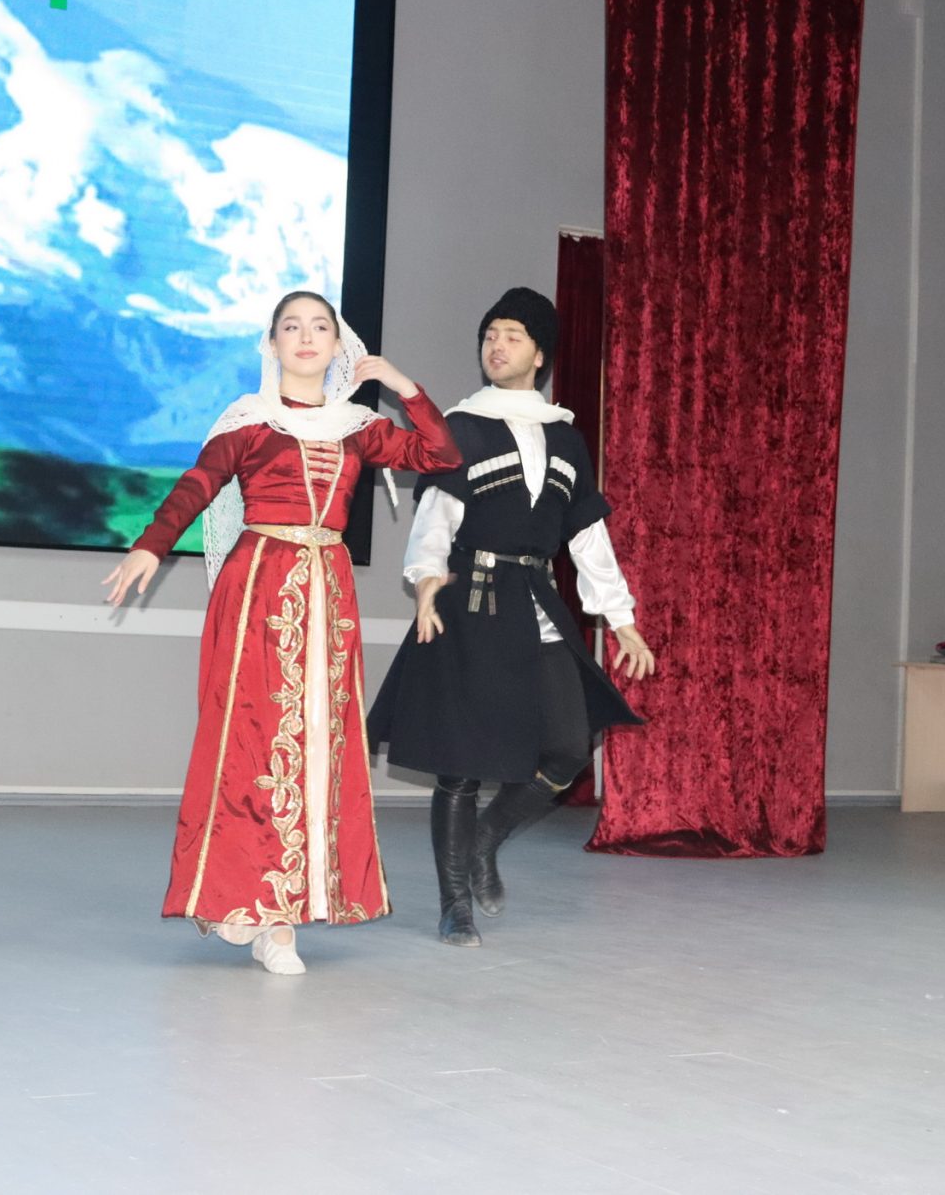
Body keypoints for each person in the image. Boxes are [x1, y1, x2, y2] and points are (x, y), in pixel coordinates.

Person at [103, 291, 461, 974]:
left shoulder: (356, 426)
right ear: (271, 344)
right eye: (291, 327)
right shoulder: (250, 421)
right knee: (252, 744)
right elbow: (198, 484)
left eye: (320, 326)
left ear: (337, 344)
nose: (306, 337)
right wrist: (151, 544)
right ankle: (259, 907)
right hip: (259, 589)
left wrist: (400, 385)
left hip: (327, 593)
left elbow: (440, 455)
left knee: (318, 746)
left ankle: (285, 910)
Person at [367, 287, 656, 947]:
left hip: (534, 601)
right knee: (460, 765)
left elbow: (587, 536)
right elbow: (435, 518)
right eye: (489, 335)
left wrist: (621, 617)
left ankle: (485, 840)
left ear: (540, 354)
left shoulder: (567, 438)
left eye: (512, 336)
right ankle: (455, 905)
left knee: (568, 746)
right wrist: (426, 583)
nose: (495, 346)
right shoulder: (462, 426)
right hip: (467, 602)